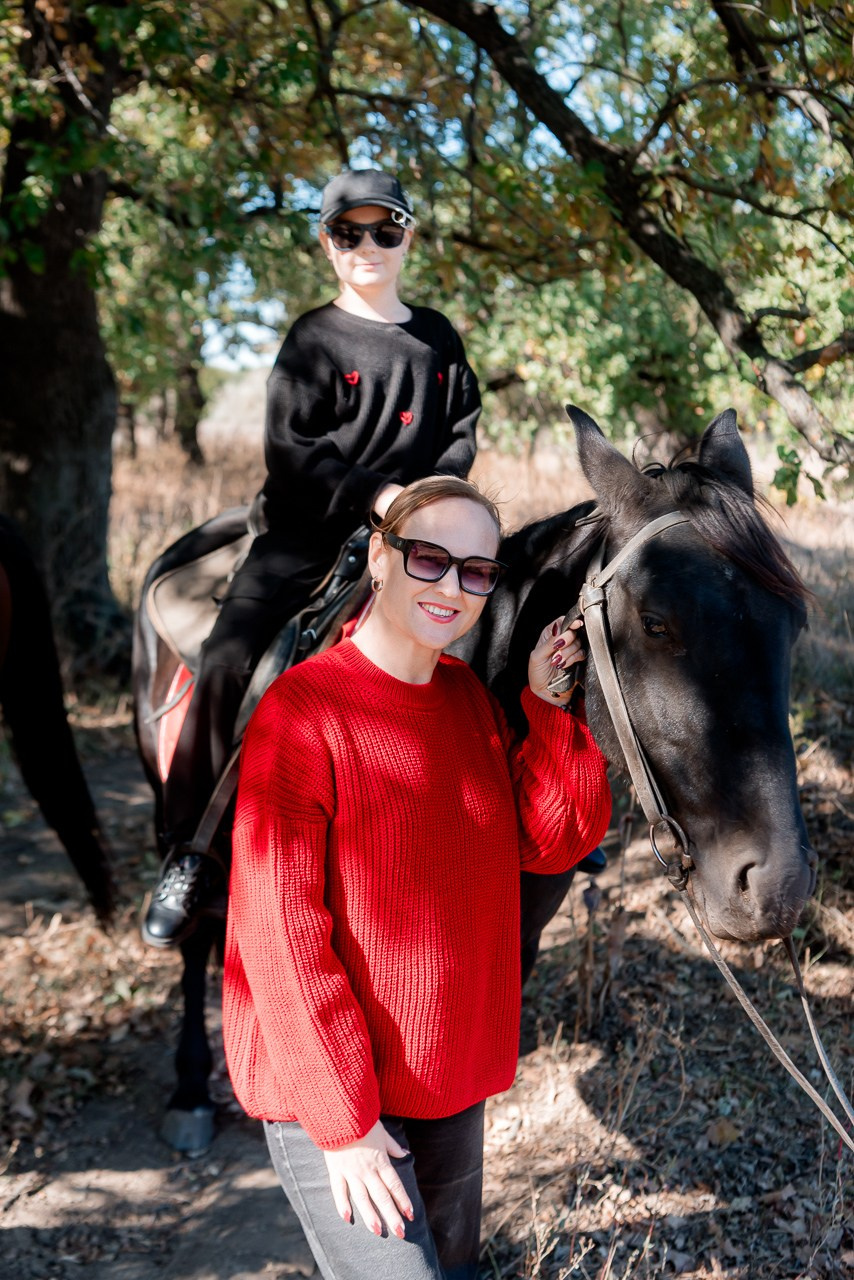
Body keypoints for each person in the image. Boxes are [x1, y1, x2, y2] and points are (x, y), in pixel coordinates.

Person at [222, 475, 611, 1280]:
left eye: (477, 570)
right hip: (331, 1093)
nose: (453, 587)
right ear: (380, 557)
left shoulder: (468, 699)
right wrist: (343, 1124)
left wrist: (546, 704)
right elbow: (279, 933)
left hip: (446, 1079)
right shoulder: (305, 713)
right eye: (430, 558)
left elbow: (549, 840)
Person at [142, 168, 482, 947]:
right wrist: (376, 495)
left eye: (384, 229)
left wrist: (428, 502)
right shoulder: (313, 338)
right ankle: (189, 848)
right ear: (327, 244)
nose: (368, 245)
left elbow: (460, 432)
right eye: (348, 232)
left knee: (487, 643)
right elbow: (293, 451)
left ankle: (514, 810)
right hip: (305, 535)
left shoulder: (437, 339)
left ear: (408, 238)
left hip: (415, 538)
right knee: (229, 660)